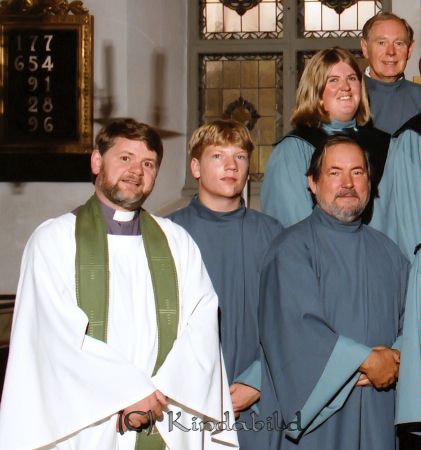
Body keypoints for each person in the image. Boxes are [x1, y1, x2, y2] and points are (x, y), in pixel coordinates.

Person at [0, 119, 238, 450]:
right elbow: (51, 336)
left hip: (165, 412)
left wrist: (159, 393)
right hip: (90, 420)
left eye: (148, 163)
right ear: (97, 161)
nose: (136, 171)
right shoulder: (54, 241)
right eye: (125, 158)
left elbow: (201, 326)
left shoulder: (177, 242)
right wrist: (129, 392)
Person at [259, 134, 408, 450]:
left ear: (369, 182)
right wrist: (365, 361)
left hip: (379, 415)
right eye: (334, 172)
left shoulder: (390, 253)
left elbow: (413, 324)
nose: (348, 183)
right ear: (312, 183)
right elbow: (295, 334)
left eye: (357, 172)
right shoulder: (289, 250)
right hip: (320, 427)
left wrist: (398, 358)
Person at [169, 119, 283, 450]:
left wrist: (259, 379)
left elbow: (287, 321)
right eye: (218, 156)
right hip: (186, 399)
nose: (231, 165)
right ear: (196, 166)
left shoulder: (275, 235)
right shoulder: (168, 234)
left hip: (258, 398)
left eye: (240, 156)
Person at [261, 47, 389, 228]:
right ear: (316, 92)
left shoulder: (384, 145)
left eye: (352, 78)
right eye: (333, 80)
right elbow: (293, 229)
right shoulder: (293, 150)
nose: (345, 87)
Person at [361, 12, 421, 134]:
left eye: (398, 43)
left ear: (409, 50)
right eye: (381, 43)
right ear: (365, 48)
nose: (391, 52)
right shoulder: (347, 96)